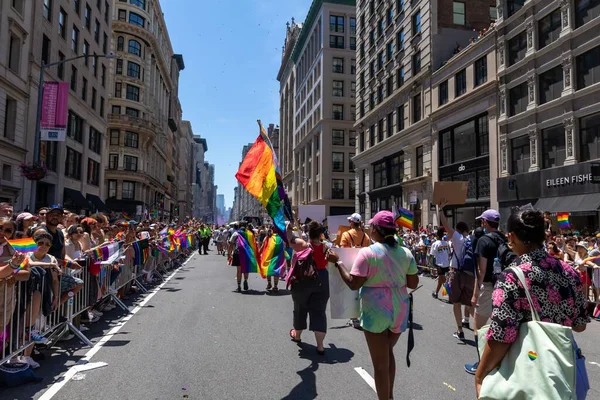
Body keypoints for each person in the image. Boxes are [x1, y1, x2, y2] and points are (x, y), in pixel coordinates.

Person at [475, 209, 589, 398]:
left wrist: (480, 375)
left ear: (511, 237)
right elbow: (580, 325)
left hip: (528, 375)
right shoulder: (569, 272)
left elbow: (501, 336)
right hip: (563, 373)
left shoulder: (512, 277)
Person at [329, 211, 419, 400]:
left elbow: (354, 283)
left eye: (371, 226)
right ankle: (390, 396)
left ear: (377, 230)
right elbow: (412, 283)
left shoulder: (368, 253)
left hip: (375, 312)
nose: (369, 229)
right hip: (399, 310)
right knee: (388, 352)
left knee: (380, 364)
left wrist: (338, 262)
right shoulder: (406, 252)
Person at [465, 209, 505, 375]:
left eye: (482, 221)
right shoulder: (505, 239)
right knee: (498, 326)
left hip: (488, 286)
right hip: (504, 286)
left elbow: (481, 271)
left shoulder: (483, 240)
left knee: (479, 327)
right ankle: (498, 362)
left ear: (485, 223)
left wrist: (475, 293)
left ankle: (482, 364)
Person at [287, 220, 333, 355]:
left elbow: (290, 240)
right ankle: (320, 345)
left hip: (303, 280)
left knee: (300, 308)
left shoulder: (303, 245)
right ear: (321, 234)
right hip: (322, 278)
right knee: (319, 311)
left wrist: (289, 227)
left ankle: (297, 335)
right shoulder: (327, 246)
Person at [438, 204, 474, 341]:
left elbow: (446, 225)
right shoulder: (471, 240)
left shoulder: (458, 238)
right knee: (470, 304)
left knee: (456, 303)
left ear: (458, 230)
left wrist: (440, 210)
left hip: (456, 273)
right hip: (470, 275)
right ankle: (479, 329)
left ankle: (460, 330)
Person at [430, 229, 451, 299]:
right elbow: (449, 253)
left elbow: (432, 256)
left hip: (439, 265)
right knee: (440, 280)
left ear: (437, 235)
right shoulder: (446, 243)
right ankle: (436, 293)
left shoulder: (435, 244)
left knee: (444, 280)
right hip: (446, 264)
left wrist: (432, 266)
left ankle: (451, 296)